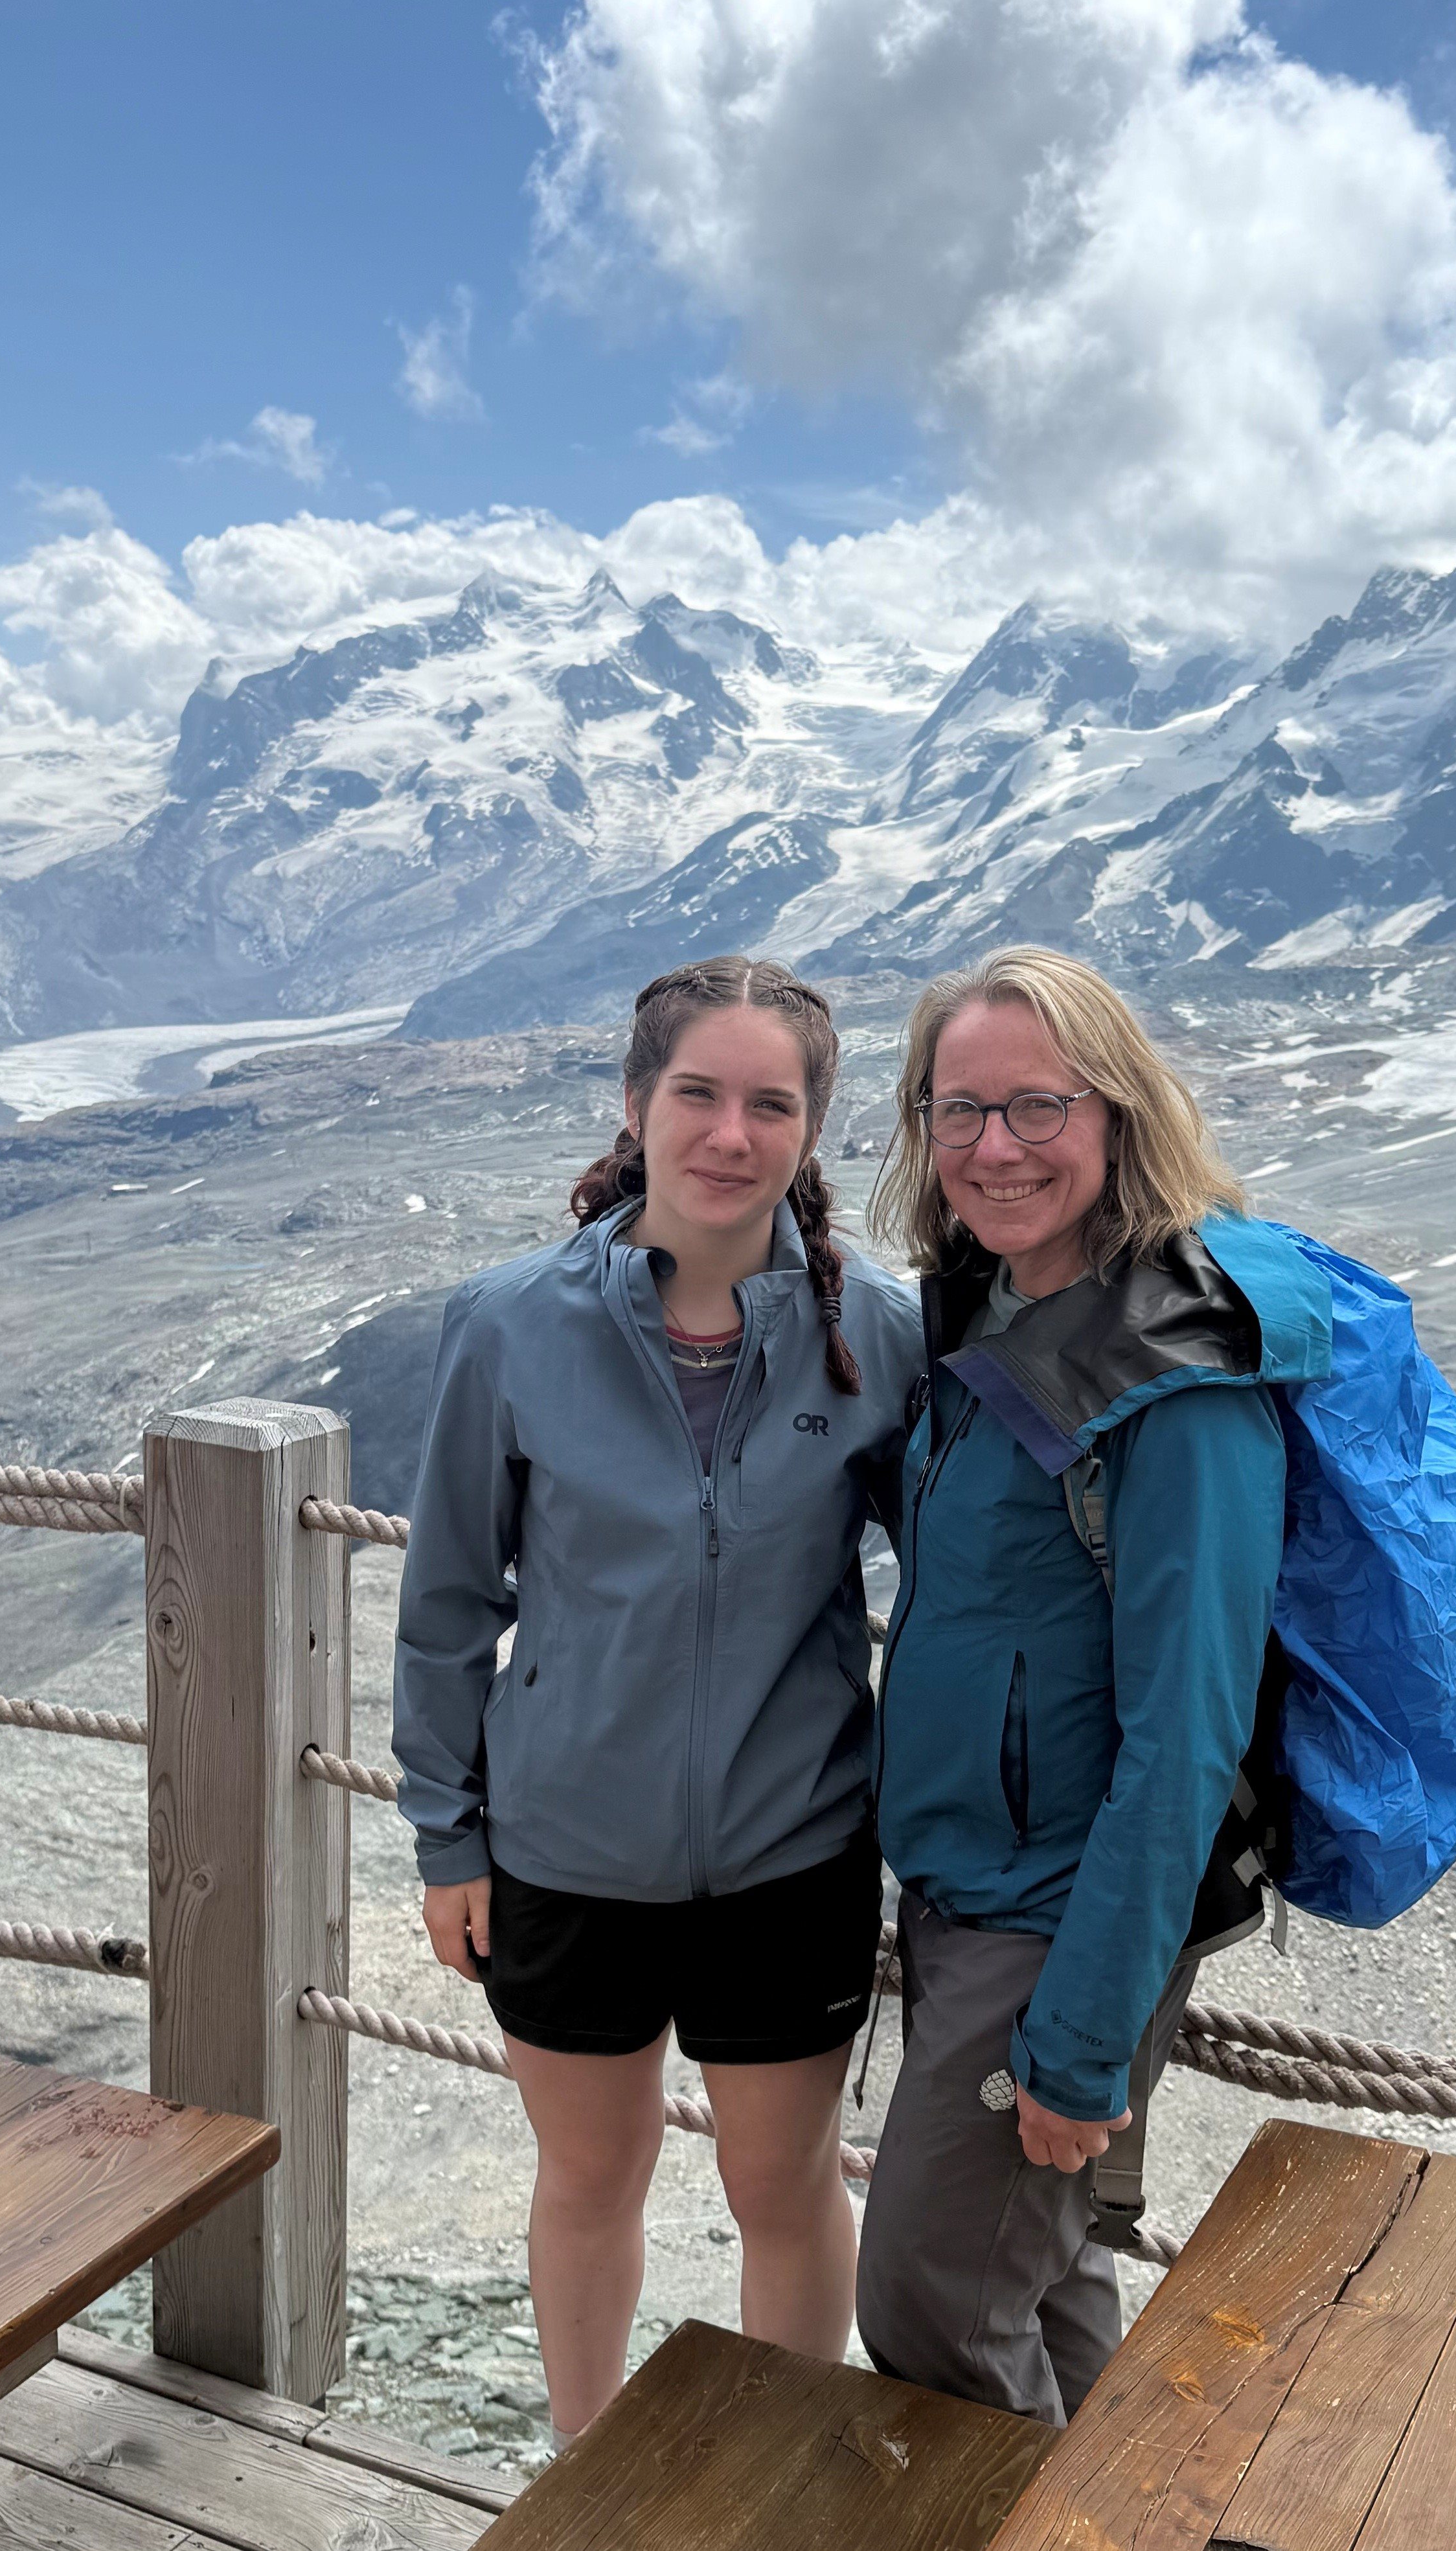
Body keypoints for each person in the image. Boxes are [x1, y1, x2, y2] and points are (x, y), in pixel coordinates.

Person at [392, 956, 923, 2442]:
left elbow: (959, 1577)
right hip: (562, 1851)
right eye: (698, 1092)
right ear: (636, 1103)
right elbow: (446, 1604)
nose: (731, 1133)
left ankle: (781, 2496)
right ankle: (587, 2471)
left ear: (814, 1130)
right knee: (587, 2179)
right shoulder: (508, 1325)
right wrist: (448, 1834)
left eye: (772, 1102)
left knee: (786, 2190)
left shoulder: (876, 1335)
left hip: (794, 1850)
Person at [855, 945, 1326, 2423]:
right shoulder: (994, 1316)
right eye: (960, 1110)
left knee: (928, 2303)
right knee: (1039, 2288)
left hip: (1055, 1923)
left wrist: (1078, 2035)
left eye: (1037, 1108)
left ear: (1118, 1115)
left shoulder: (1176, 1389)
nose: (994, 1148)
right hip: (971, 1896)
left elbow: (1182, 1739)